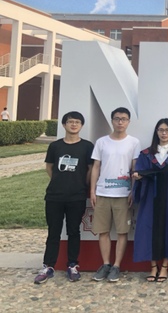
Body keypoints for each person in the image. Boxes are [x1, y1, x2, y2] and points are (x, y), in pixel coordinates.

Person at [34, 111, 94, 284]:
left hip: (77, 196)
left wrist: (81, 184)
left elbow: (90, 169)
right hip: (54, 196)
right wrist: (59, 181)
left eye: (77, 122)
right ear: (64, 125)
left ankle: (72, 265)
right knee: (53, 232)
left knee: (73, 231)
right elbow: (49, 167)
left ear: (81, 125)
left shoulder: (87, 146)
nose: (73, 124)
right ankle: (48, 266)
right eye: (70, 122)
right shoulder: (55, 146)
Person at [132, 118, 168, 283]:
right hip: (151, 197)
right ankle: (153, 267)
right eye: (161, 130)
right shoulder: (146, 154)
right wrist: (138, 176)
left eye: (167, 130)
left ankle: (164, 266)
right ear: (156, 132)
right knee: (149, 229)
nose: (164, 133)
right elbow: (139, 172)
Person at [89, 107, 141, 282]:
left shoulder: (134, 142)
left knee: (122, 231)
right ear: (112, 120)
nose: (120, 122)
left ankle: (117, 265)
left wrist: (133, 190)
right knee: (103, 231)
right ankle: (105, 264)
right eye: (117, 118)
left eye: (124, 119)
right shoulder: (101, 142)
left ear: (128, 122)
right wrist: (93, 190)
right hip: (103, 192)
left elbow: (135, 168)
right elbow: (96, 167)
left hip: (123, 193)